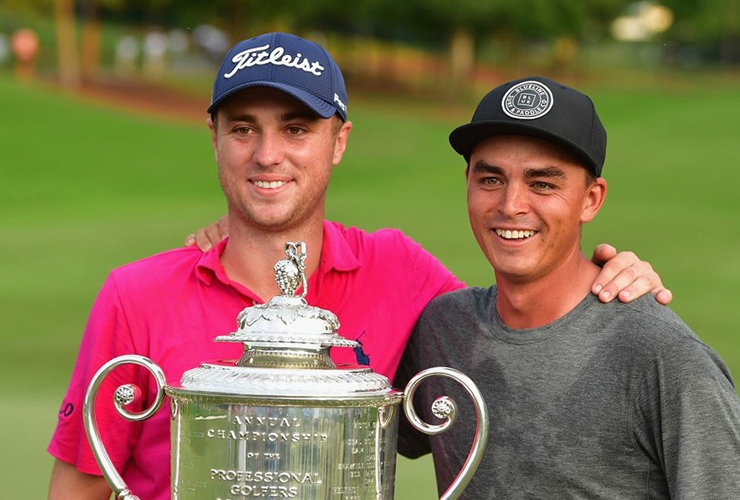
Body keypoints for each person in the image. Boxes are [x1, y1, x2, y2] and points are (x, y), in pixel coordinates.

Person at [46, 33, 669, 500]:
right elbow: (78, 489)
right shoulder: (137, 293)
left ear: (338, 141)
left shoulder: (401, 271)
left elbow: (518, 326)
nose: (267, 155)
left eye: (296, 129)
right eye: (243, 129)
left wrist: (610, 275)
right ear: (213, 136)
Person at [394, 76, 740, 499]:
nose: (511, 205)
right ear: (467, 181)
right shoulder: (443, 328)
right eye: (491, 179)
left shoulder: (662, 355)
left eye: (542, 183)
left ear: (591, 199)